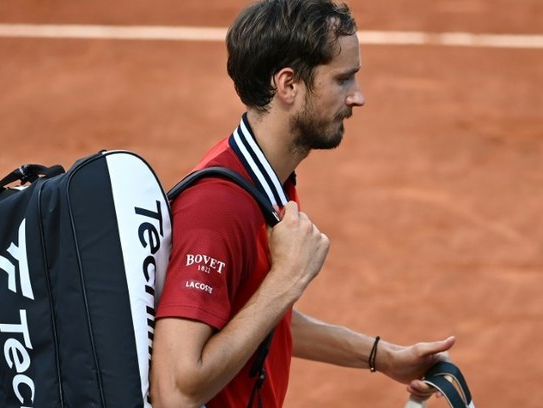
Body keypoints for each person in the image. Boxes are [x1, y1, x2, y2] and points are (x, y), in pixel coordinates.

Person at [150, 0, 455, 407]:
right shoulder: (217, 209)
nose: (357, 97)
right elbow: (175, 392)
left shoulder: (265, 180)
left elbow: (251, 316)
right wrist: (287, 280)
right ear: (288, 85)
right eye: (343, 80)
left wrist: (384, 357)